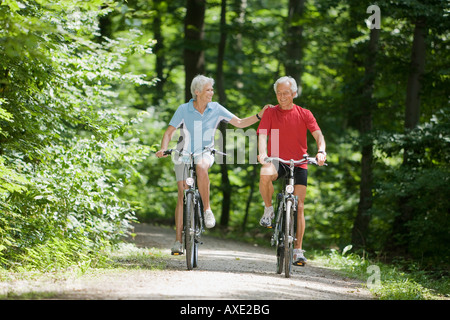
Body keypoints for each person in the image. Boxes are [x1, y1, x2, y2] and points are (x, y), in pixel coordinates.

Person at [156, 75, 269, 255]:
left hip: (205, 151)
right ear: (197, 92)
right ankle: (178, 241)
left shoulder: (215, 108)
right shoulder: (184, 109)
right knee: (182, 194)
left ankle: (207, 209)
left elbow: (239, 123)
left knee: (201, 167)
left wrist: (259, 115)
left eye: (212, 89)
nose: (212, 93)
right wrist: (163, 149)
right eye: (208, 90)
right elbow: (169, 132)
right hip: (183, 152)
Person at [257, 76, 326, 266]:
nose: (281, 96)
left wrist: (321, 151)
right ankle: (269, 210)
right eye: (278, 93)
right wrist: (262, 153)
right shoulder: (270, 112)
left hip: (299, 163)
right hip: (277, 160)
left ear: (294, 93)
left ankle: (297, 250)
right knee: (264, 174)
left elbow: (318, 135)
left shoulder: (304, 114)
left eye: (285, 93)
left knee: (300, 206)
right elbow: (262, 135)